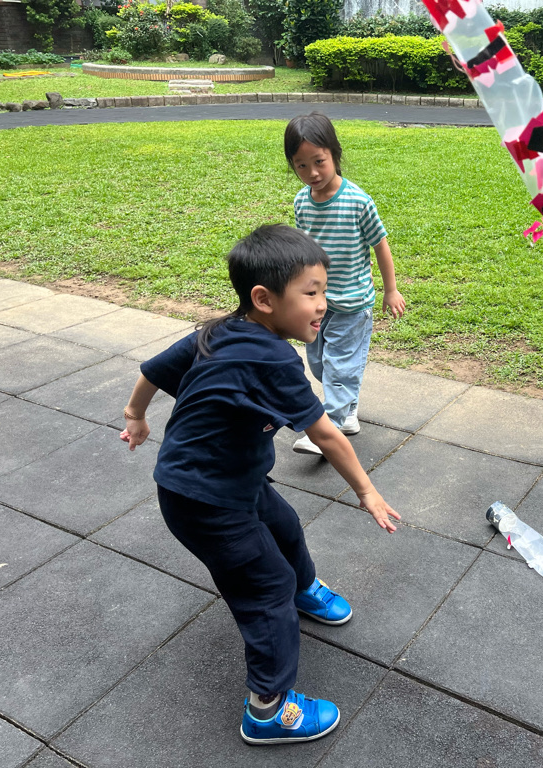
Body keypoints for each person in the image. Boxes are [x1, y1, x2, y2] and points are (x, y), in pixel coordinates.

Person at [120, 224, 400, 746]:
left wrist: (136, 414)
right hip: (204, 501)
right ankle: (267, 710)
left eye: (324, 290)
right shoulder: (273, 359)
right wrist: (367, 491)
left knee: (284, 525)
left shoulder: (218, 330)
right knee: (265, 589)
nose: (323, 304)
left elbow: (153, 372)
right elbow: (327, 434)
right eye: (311, 293)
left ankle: (303, 588)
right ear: (264, 299)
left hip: (226, 480)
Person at [283, 112, 406, 456]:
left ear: (334, 154)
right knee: (319, 364)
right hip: (317, 303)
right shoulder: (302, 202)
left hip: (352, 303)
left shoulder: (357, 201)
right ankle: (348, 411)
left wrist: (390, 289)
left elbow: (380, 245)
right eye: (301, 165)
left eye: (319, 161)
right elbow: (304, 250)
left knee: (338, 367)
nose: (312, 173)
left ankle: (329, 428)